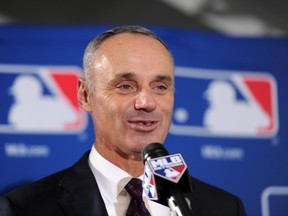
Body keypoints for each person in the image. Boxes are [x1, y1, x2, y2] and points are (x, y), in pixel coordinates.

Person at [0, 25, 246, 216]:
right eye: (126, 86)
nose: (146, 102)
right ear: (85, 95)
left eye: (160, 86)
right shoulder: (24, 208)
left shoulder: (223, 207)